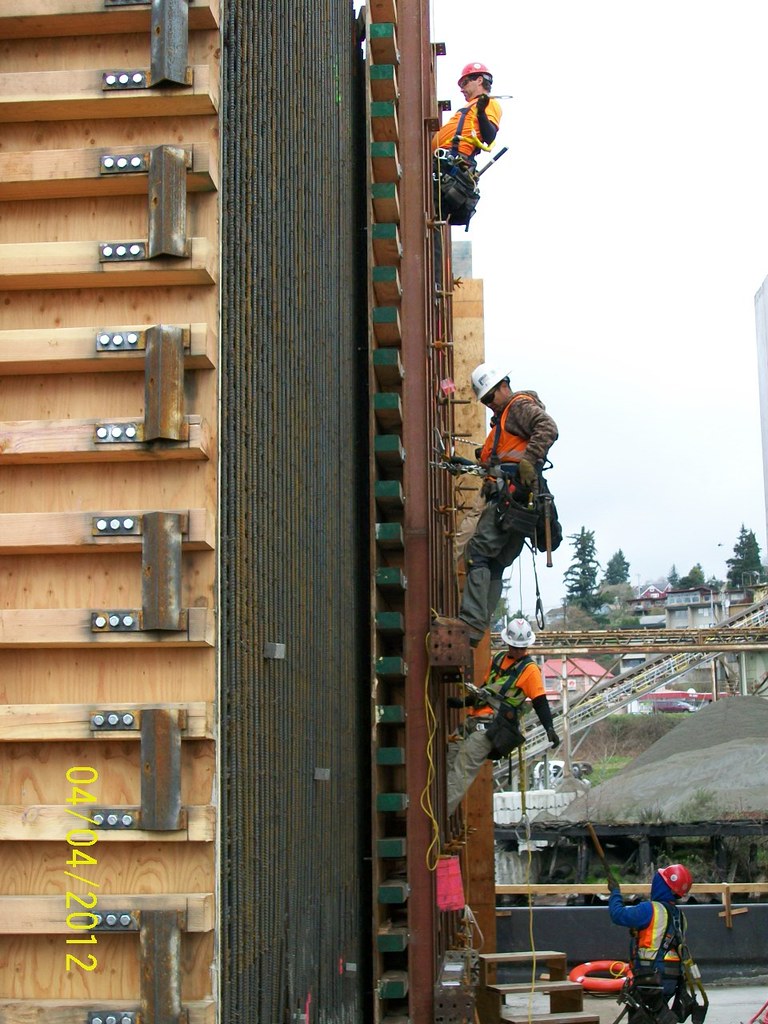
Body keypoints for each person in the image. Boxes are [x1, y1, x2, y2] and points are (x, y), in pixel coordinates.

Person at [456, 363, 559, 645]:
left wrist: (528, 461)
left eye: (490, 397)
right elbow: (501, 460)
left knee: (477, 554)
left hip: (512, 498)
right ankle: (476, 630)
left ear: (504, 385)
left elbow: (547, 427)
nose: (489, 405)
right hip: (522, 503)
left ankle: (471, 623)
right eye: (485, 401)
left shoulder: (517, 408)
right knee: (497, 561)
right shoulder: (503, 421)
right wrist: (468, 464)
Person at [445, 618, 560, 815]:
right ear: (508, 643)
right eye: (515, 647)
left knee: (461, 769)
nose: (518, 651)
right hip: (475, 720)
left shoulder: (530, 670)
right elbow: (486, 692)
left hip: (492, 728)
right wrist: (463, 702)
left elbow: (540, 702)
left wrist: (549, 728)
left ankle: (435, 818)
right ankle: (436, 808)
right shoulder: (498, 659)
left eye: (522, 648)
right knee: (449, 759)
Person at [608, 864, 696, 1024]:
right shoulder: (681, 917)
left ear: (663, 885)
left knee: (643, 1018)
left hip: (650, 978)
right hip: (672, 980)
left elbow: (617, 914)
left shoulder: (650, 910)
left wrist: (615, 893)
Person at [431, 62, 502, 226]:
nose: (461, 88)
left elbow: (489, 136)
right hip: (442, 161)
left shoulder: (490, 104)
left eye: (464, 83)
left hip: (454, 161)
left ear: (479, 80)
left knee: (431, 211)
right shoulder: (469, 106)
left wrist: (482, 111)